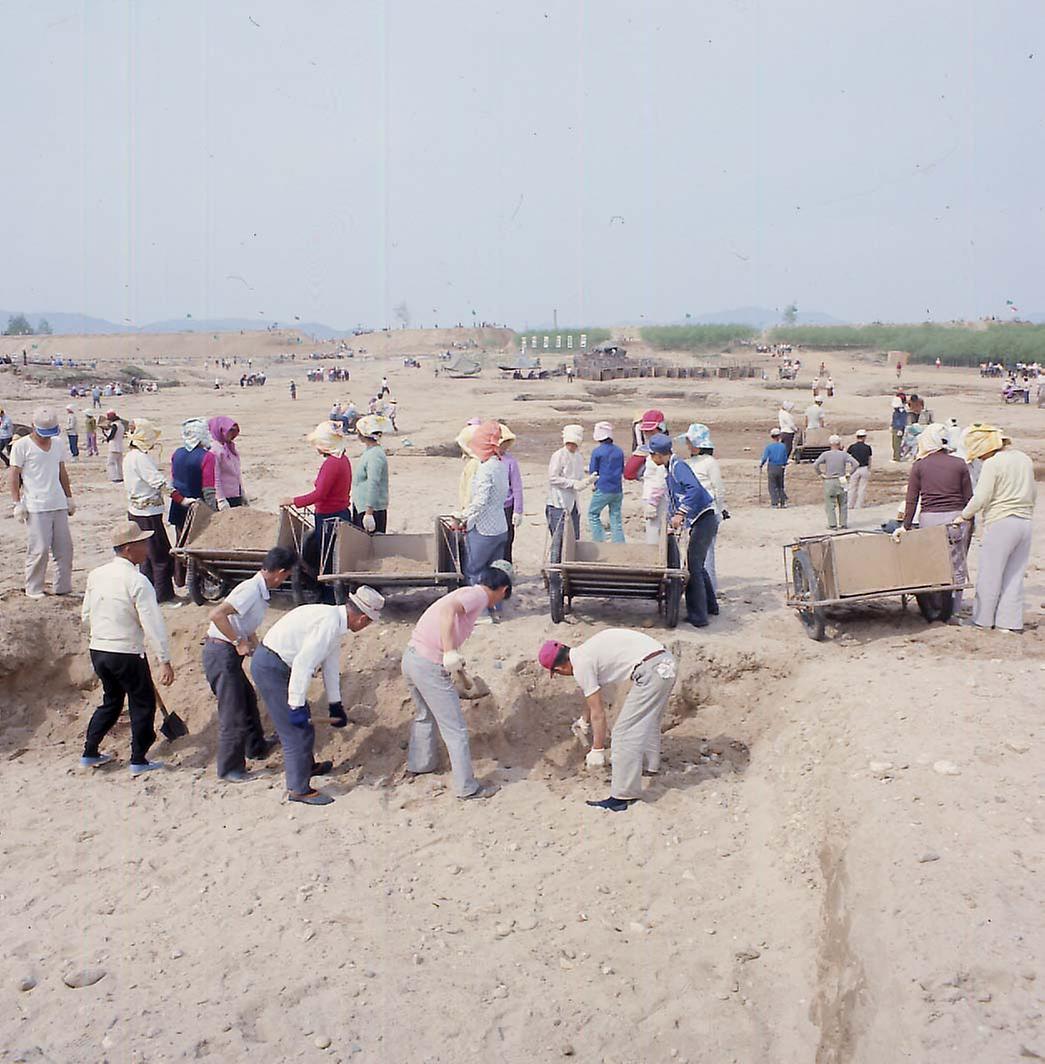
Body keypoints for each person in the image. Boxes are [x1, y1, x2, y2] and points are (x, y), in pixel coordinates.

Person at [251, 587, 383, 805]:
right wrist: (295, 706)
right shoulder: (329, 624)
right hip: (271, 667)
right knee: (296, 731)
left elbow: (330, 665)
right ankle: (298, 789)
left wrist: (335, 704)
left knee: (304, 725)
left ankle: (306, 767)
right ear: (361, 618)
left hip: (279, 664)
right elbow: (303, 665)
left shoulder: (335, 621)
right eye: (368, 622)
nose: (366, 626)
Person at [401, 566, 511, 800]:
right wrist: (449, 652)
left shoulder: (467, 593)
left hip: (412, 657)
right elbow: (448, 612)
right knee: (456, 730)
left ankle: (420, 765)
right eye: (503, 595)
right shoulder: (478, 595)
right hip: (427, 663)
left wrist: (456, 665)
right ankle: (467, 788)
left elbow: (448, 620)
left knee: (424, 715)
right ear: (503, 589)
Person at [538, 630, 678, 812]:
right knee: (647, 720)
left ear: (560, 668)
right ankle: (651, 766)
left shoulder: (581, 666)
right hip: (664, 663)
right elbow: (592, 694)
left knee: (623, 733)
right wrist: (584, 720)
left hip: (651, 671)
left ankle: (622, 797)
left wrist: (597, 749)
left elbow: (599, 713)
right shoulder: (585, 652)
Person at [80, 521, 174, 773]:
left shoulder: (95, 574)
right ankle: (139, 759)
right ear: (129, 548)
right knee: (142, 703)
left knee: (111, 700)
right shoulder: (137, 581)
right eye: (143, 543)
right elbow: (152, 623)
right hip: (126, 651)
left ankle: (90, 751)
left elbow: (86, 615)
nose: (147, 548)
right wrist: (164, 659)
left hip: (99, 649)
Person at [204, 546, 297, 781]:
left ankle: (256, 747)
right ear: (279, 572)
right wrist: (238, 642)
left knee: (246, 699)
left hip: (228, 652)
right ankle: (230, 768)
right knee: (232, 711)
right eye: (287, 575)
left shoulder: (259, 591)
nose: (285, 580)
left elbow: (244, 623)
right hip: (220, 651)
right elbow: (217, 614)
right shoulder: (249, 591)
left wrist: (255, 648)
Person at [954, 425, 1036, 632]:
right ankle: (1010, 624)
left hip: (1001, 521)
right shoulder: (1024, 459)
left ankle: (982, 621)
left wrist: (964, 515)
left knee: (990, 574)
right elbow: (1033, 493)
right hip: (1025, 522)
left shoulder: (993, 463)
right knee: (1014, 575)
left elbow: (982, 496)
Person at [900, 423, 973, 615]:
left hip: (929, 520)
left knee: (931, 563)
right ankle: (955, 611)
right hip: (956, 519)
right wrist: (970, 523)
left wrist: (905, 526)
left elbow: (912, 499)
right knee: (957, 565)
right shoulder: (959, 464)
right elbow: (969, 499)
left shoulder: (920, 465)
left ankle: (935, 607)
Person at [648, 433, 717, 627]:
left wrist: (680, 513)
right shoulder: (670, 469)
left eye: (652, 455)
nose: (652, 459)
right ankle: (711, 607)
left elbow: (694, 489)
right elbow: (674, 498)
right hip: (700, 520)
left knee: (693, 567)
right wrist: (672, 523)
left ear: (659, 455)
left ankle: (699, 617)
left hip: (705, 518)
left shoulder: (678, 467)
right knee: (698, 563)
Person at [9, 406, 75, 599]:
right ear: (32, 426)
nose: (46, 437)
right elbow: (13, 475)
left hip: (58, 503)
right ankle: (34, 588)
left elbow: (62, 472)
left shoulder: (57, 444)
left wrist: (69, 497)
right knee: (39, 550)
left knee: (65, 550)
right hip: (36, 505)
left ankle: (62, 587)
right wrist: (17, 503)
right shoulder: (22, 446)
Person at [282, 421, 352, 596]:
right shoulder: (342, 459)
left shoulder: (332, 464)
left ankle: (328, 596)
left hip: (329, 516)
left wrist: (293, 500)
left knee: (327, 560)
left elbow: (319, 494)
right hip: (341, 513)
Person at [123, 418, 175, 603]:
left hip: (136, 511)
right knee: (159, 555)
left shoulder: (130, 456)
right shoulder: (140, 458)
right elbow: (157, 482)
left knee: (145, 556)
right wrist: (180, 498)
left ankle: (148, 593)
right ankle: (163, 596)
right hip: (148, 513)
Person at [459, 421, 510, 592]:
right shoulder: (501, 465)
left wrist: (463, 516)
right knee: (495, 573)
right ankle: (496, 607)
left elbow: (481, 501)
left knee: (475, 571)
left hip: (483, 529)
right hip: (500, 526)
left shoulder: (485, 469)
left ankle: (481, 612)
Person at [683, 423, 727, 592]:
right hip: (699, 512)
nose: (687, 445)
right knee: (704, 553)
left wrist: (719, 511)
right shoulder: (699, 463)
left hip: (704, 511)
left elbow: (717, 490)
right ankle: (707, 590)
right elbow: (718, 490)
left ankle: (709, 590)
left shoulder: (706, 462)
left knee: (704, 553)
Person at [168, 418, 211, 586]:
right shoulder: (207, 456)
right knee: (198, 544)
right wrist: (213, 510)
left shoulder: (176, 453)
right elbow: (208, 487)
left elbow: (173, 479)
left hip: (178, 503)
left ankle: (179, 579)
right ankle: (199, 581)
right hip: (197, 505)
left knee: (180, 541)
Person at [623, 409, 669, 545]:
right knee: (654, 532)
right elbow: (629, 473)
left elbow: (662, 478)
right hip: (651, 495)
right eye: (646, 431)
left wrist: (653, 502)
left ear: (660, 428)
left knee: (655, 535)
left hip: (658, 498)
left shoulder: (661, 450)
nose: (647, 434)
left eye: (651, 430)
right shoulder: (650, 448)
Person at [546, 423, 587, 539]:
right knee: (559, 539)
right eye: (570, 444)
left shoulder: (578, 457)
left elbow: (579, 478)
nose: (572, 446)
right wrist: (572, 483)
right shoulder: (558, 455)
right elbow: (553, 478)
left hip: (573, 502)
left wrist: (585, 482)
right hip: (558, 502)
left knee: (574, 538)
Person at [351, 414, 389, 534]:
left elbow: (374, 483)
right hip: (362, 506)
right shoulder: (370, 452)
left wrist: (369, 512)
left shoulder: (375, 455)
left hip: (372, 510)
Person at [587, 421, 625, 543]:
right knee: (615, 517)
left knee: (593, 514)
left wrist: (594, 484)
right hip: (617, 489)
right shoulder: (619, 451)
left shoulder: (597, 452)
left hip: (603, 488)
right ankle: (619, 545)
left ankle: (599, 541)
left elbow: (593, 471)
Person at [813, 436, 858, 530]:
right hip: (842, 479)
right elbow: (856, 463)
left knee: (830, 504)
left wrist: (820, 474)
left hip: (830, 480)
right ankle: (843, 523)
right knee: (843, 503)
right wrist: (849, 473)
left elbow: (816, 464)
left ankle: (832, 524)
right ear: (839, 444)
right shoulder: (844, 454)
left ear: (830, 444)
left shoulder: (826, 454)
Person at [208, 416, 246, 509]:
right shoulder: (215, 451)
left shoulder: (230, 448)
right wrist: (221, 499)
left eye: (234, 431)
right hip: (226, 497)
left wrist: (242, 493)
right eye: (230, 430)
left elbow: (236, 474)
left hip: (235, 494)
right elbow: (215, 477)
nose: (232, 434)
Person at [498, 424, 524, 563]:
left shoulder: (510, 461)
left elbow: (517, 487)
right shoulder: (485, 461)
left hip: (507, 506)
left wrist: (518, 510)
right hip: (492, 508)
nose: (505, 447)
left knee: (507, 541)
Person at [759, 428, 790, 508]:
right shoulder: (783, 446)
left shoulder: (769, 447)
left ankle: (774, 503)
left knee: (772, 485)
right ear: (779, 436)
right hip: (781, 467)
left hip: (772, 467)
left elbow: (765, 457)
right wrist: (784, 464)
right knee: (780, 485)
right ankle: (783, 502)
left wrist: (761, 464)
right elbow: (785, 457)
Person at [846, 429, 873, 510]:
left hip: (854, 469)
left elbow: (848, 458)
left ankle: (850, 504)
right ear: (864, 437)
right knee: (862, 488)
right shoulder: (867, 447)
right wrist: (869, 468)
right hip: (864, 468)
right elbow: (869, 459)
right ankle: (859, 505)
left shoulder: (852, 447)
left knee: (852, 487)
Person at [102, 409, 125, 482]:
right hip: (120, 446)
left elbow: (112, 436)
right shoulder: (121, 425)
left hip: (113, 447)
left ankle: (114, 477)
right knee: (119, 463)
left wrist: (106, 433)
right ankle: (121, 476)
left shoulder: (115, 425)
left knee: (110, 463)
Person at [890, 397, 907, 462]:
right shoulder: (896, 411)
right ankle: (895, 456)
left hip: (898, 429)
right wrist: (891, 426)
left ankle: (897, 458)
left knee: (897, 444)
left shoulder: (902, 412)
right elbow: (894, 419)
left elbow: (903, 421)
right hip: (895, 428)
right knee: (894, 444)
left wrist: (900, 429)